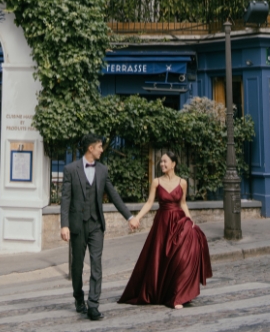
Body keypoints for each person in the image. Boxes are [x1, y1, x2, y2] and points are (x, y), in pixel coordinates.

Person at [118, 151, 213, 309]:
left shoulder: (182, 182)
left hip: (179, 222)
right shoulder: (156, 182)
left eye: (165, 161)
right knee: (161, 259)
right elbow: (149, 203)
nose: (162, 164)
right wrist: (137, 218)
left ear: (173, 164)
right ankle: (163, 293)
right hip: (162, 223)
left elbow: (183, 203)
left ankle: (178, 295)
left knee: (180, 258)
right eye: (161, 162)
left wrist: (190, 219)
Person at [61, 133, 137, 321]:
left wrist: (129, 216)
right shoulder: (71, 169)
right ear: (90, 148)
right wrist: (64, 225)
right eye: (100, 146)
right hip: (78, 225)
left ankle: (93, 305)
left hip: (96, 225)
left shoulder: (103, 170)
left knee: (97, 264)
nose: (102, 150)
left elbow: (113, 195)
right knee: (77, 266)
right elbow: (65, 199)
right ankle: (78, 297)